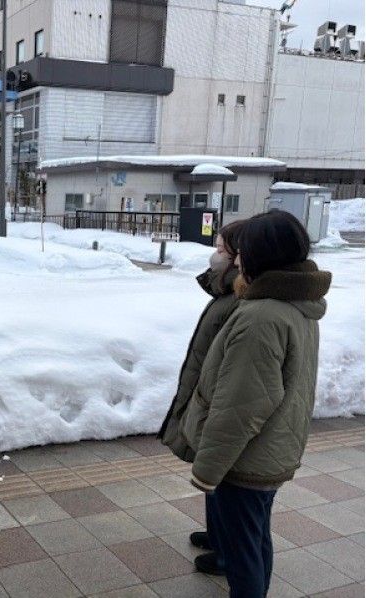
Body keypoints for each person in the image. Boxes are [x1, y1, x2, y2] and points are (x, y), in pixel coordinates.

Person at [181, 210, 331, 597]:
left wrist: (208, 470)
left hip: (246, 457)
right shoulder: (296, 303)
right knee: (254, 536)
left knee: (243, 550)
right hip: (272, 448)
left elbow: (241, 406)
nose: (237, 258)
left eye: (243, 250)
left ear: (262, 255)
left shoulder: (262, 316)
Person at [157, 219, 245, 576]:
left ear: (241, 255)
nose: (215, 254)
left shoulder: (240, 298)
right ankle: (217, 535)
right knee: (214, 476)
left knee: (223, 476)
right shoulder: (227, 289)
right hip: (206, 391)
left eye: (222, 248)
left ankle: (227, 551)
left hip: (219, 399)